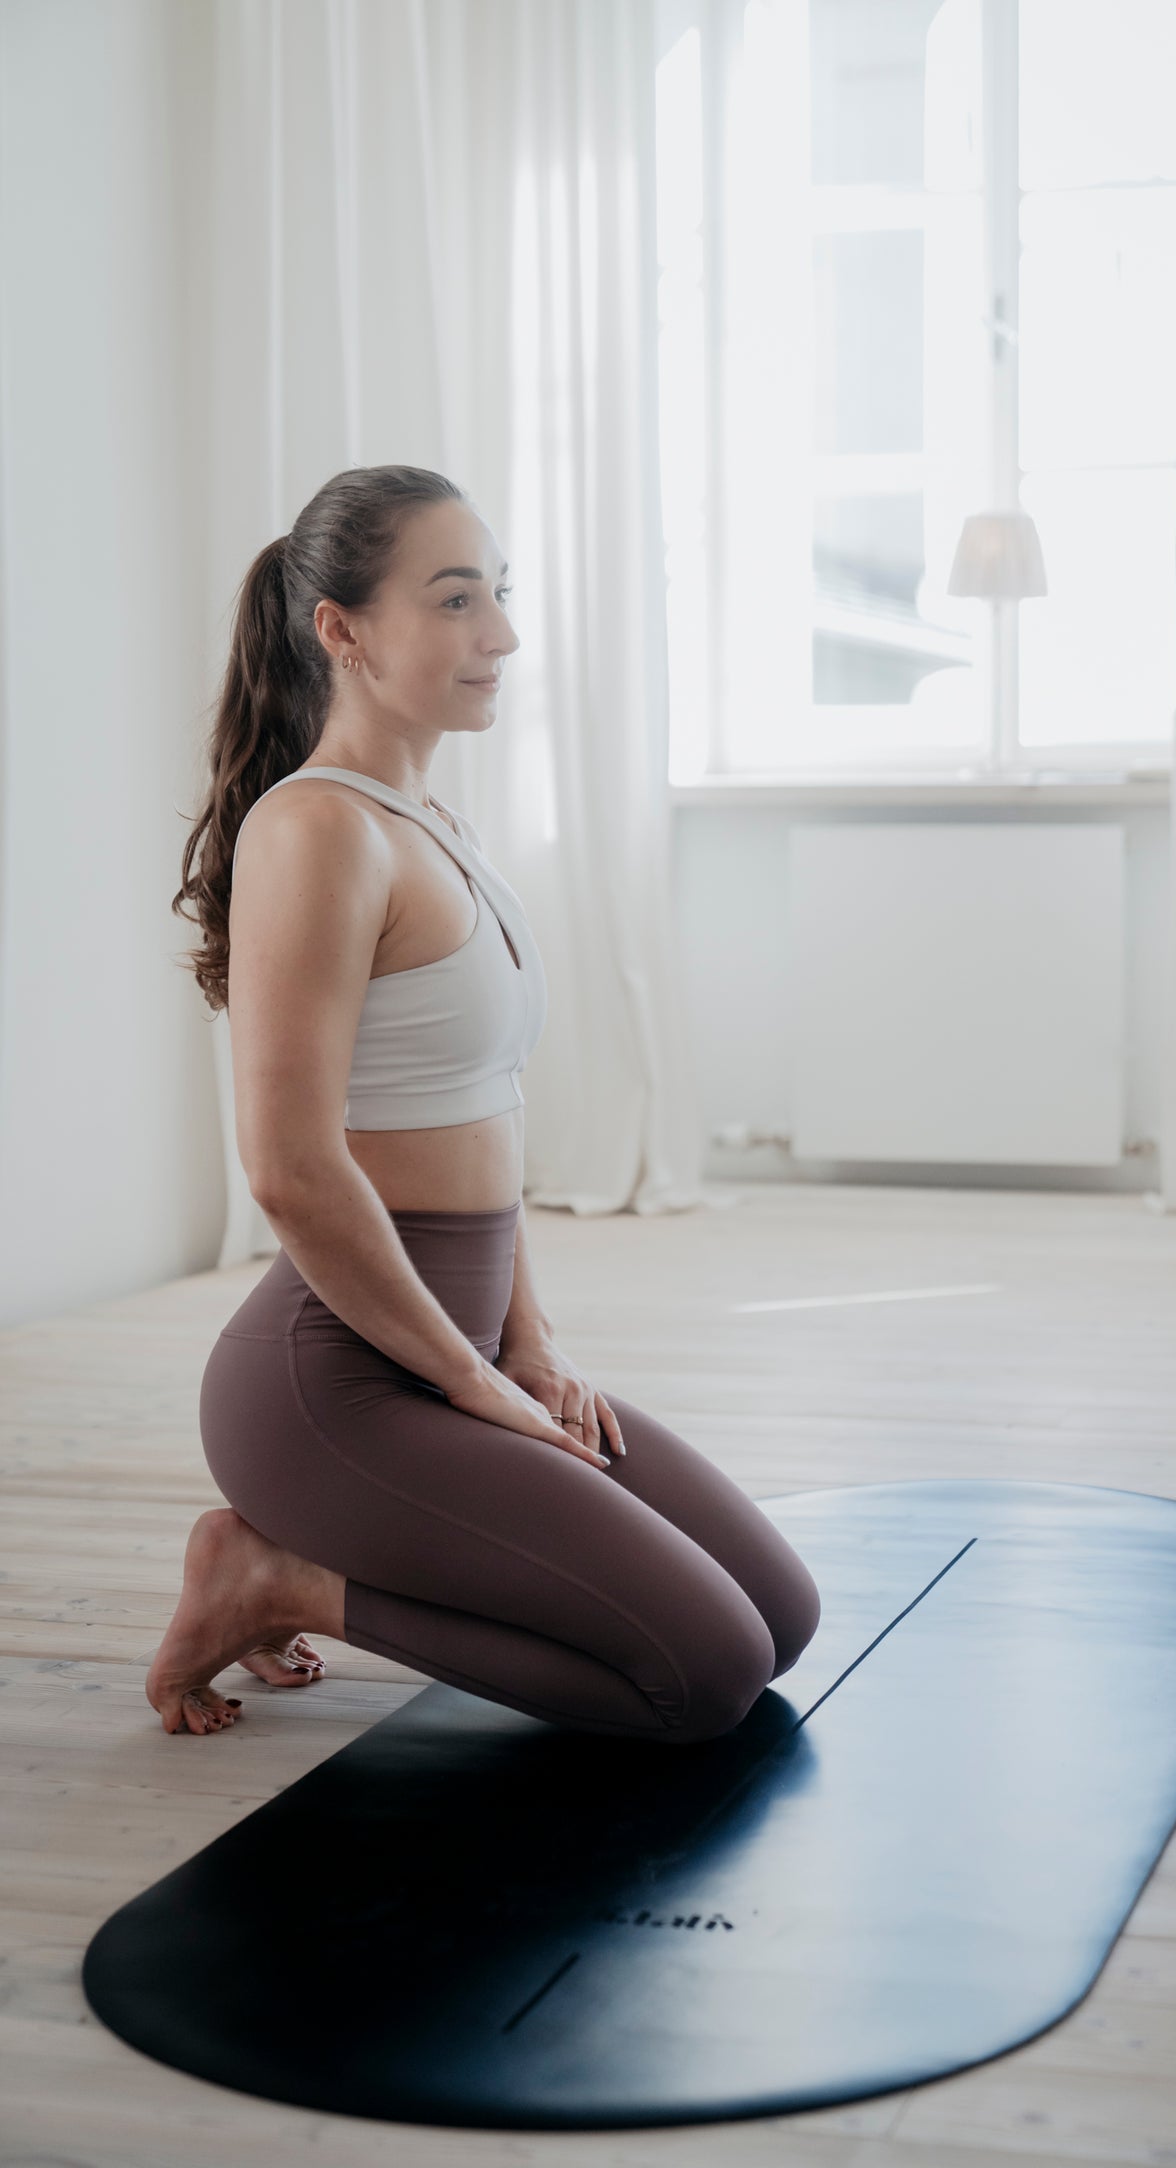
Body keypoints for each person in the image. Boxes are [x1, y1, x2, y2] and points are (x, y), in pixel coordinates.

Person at [153, 463, 820, 1740]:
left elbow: (483, 1118)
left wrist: (533, 1342)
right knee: (705, 1672)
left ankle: (325, 1542)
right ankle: (276, 1574)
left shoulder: (428, 819)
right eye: (456, 600)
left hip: (453, 1344)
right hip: (331, 1385)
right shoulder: (315, 834)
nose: (500, 636)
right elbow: (291, 1166)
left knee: (778, 1614)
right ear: (339, 630)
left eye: (498, 596)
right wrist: (468, 1380)